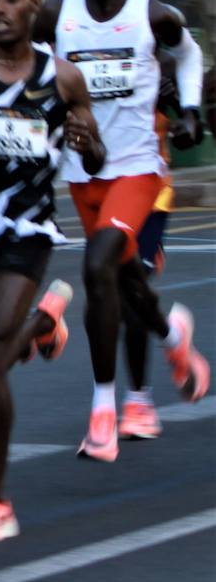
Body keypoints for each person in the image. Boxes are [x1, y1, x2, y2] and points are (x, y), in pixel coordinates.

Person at [35, 0, 209, 463]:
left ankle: (105, 408)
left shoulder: (151, 15)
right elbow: (35, 73)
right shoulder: (56, 17)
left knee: (98, 268)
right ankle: (172, 333)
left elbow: (189, 56)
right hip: (82, 172)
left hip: (137, 169)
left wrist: (191, 111)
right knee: (127, 282)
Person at [0, 0, 104, 542]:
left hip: (28, 229)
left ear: (33, 5)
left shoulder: (61, 78)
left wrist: (90, 145)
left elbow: (95, 158)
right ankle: (42, 324)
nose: (0, 9)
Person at [118, 43, 200, 439]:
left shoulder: (165, 63)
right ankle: (173, 334)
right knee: (115, 294)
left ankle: (138, 402)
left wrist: (176, 105)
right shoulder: (83, 55)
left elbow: (189, 138)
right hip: (101, 189)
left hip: (150, 194)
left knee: (131, 299)